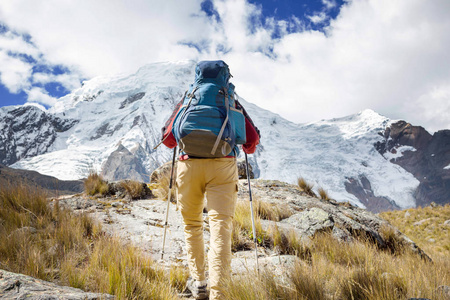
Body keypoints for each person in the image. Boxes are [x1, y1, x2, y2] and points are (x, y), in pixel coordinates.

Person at [161, 61, 260, 300]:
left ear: (197, 77)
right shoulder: (230, 101)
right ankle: (218, 293)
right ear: (225, 77)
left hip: (189, 166)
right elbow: (252, 141)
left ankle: (200, 283)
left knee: (192, 226)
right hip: (222, 168)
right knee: (221, 229)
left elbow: (167, 139)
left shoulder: (188, 100)